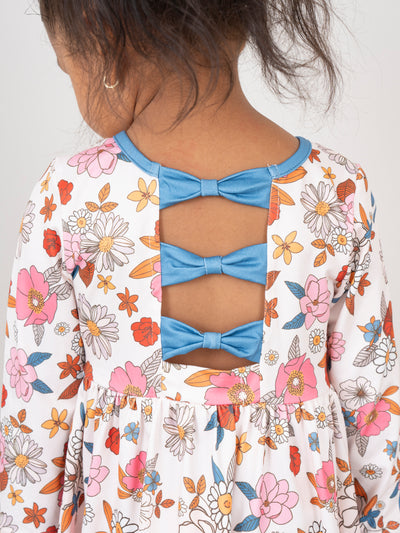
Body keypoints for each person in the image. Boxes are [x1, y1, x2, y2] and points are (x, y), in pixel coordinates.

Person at [0, 1, 398, 532]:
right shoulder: (339, 193)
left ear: (99, 30)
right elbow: (376, 425)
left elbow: (30, 439)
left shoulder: (69, 197)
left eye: (65, 64)